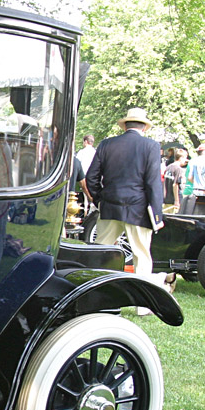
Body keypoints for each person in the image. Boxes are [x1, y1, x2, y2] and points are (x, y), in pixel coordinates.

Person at [85, 108, 168, 314]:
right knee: (141, 255)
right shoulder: (150, 146)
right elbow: (153, 183)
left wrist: (99, 200)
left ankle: (97, 298)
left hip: (110, 206)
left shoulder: (106, 144)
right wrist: (156, 214)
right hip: (138, 209)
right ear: (144, 126)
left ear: (125, 125)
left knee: (100, 253)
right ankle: (142, 306)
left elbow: (91, 177)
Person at [163, 147, 187, 213]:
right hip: (174, 199)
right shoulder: (178, 169)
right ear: (181, 158)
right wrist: (177, 200)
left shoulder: (168, 167)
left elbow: (164, 182)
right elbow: (175, 185)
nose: (185, 160)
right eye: (185, 158)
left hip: (167, 199)